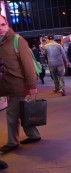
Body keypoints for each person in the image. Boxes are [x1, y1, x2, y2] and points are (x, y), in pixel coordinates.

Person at [0, 15, 41, 153]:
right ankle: (33, 135)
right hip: (6, 85)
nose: (0, 28)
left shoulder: (17, 40)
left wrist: (31, 85)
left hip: (18, 85)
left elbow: (28, 65)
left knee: (12, 114)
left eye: (2, 25)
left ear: (7, 24)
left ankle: (12, 142)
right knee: (22, 111)